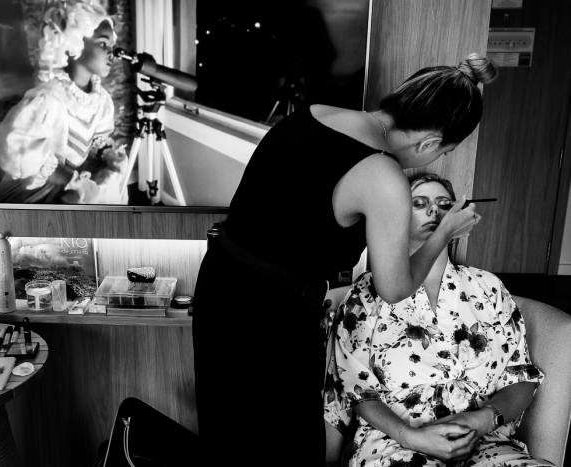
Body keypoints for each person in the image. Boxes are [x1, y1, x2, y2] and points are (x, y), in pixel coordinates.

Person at [193, 54, 497, 466]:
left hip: (219, 284)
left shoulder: (314, 114)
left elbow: (286, 225)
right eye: (442, 153)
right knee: (281, 442)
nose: (433, 161)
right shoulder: (382, 175)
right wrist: (444, 231)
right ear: (429, 143)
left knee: (228, 431)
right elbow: (394, 288)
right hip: (269, 316)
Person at [323, 173, 550, 467]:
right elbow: (356, 389)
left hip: (485, 443)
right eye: (420, 203)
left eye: (444, 204)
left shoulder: (487, 287)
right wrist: (409, 437)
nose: (434, 211)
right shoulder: (365, 294)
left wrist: (484, 418)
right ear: (398, 215)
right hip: (394, 444)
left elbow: (521, 377)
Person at [0, 2, 127, 205]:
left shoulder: (102, 100)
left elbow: (97, 138)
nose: (111, 53)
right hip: (34, 190)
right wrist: (74, 182)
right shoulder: (48, 100)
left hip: (70, 183)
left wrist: (107, 154)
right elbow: (19, 151)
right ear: (75, 45)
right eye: (102, 44)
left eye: (112, 46)